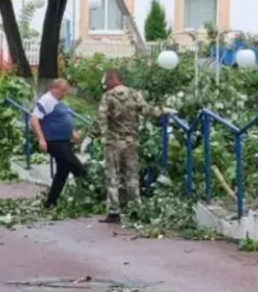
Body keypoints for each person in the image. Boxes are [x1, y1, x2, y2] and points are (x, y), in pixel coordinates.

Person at [93, 68, 168, 224]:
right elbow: (147, 110)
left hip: (113, 142)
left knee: (112, 176)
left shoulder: (108, 97)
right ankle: (135, 210)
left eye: (107, 80)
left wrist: (98, 136)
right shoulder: (135, 93)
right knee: (132, 176)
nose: (105, 84)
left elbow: (102, 119)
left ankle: (114, 212)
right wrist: (163, 111)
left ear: (114, 79)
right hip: (131, 142)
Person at [30, 79, 91, 208]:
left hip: (64, 141)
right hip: (55, 142)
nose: (65, 93)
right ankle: (92, 194)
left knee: (62, 172)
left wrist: (72, 132)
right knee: (78, 168)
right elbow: (34, 120)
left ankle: (51, 202)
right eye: (63, 90)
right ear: (54, 88)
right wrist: (41, 139)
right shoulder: (46, 100)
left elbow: (62, 119)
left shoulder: (58, 102)